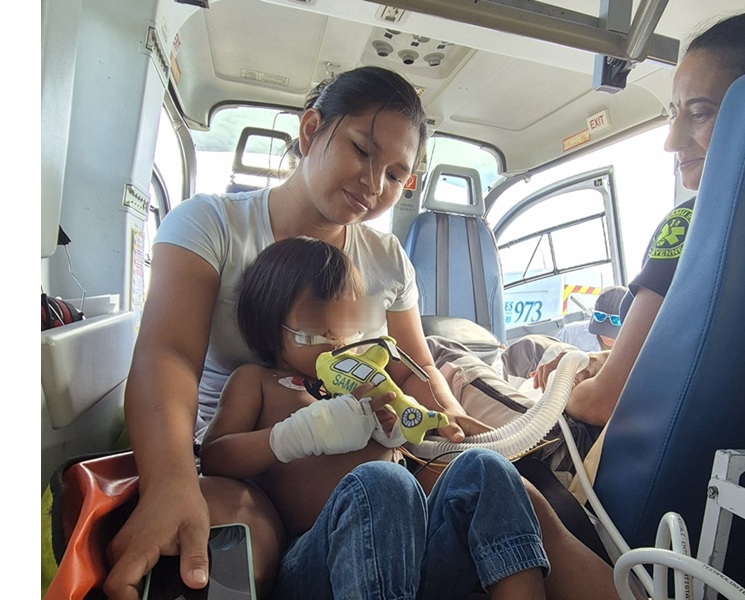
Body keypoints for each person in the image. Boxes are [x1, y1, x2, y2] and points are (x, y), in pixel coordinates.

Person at [105, 65, 617, 600]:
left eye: (396, 176)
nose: (374, 184)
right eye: (361, 150)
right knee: (241, 532)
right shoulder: (211, 225)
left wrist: (449, 426)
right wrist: (169, 483)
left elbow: (413, 365)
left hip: (381, 459)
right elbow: (168, 356)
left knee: (508, 487)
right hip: (257, 479)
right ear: (310, 132)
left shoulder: (385, 259)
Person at [200, 235, 551, 599]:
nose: (338, 336)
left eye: (348, 317)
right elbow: (215, 457)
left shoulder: (369, 383)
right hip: (319, 559)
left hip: (411, 556)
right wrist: (297, 433)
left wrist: (403, 425)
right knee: (381, 482)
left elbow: (409, 448)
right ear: (273, 323)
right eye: (320, 319)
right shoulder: (257, 382)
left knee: (486, 468)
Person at [513, 10, 745, 429]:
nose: (672, 140)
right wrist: (596, 359)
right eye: (674, 113)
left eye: (700, 112)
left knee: (456, 368)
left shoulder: (691, 225)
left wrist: (562, 386)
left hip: (594, 457)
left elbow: (602, 405)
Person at [557, 286, 629, 353]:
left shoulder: (638, 347)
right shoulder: (570, 334)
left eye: (616, 321)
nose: (605, 335)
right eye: (599, 317)